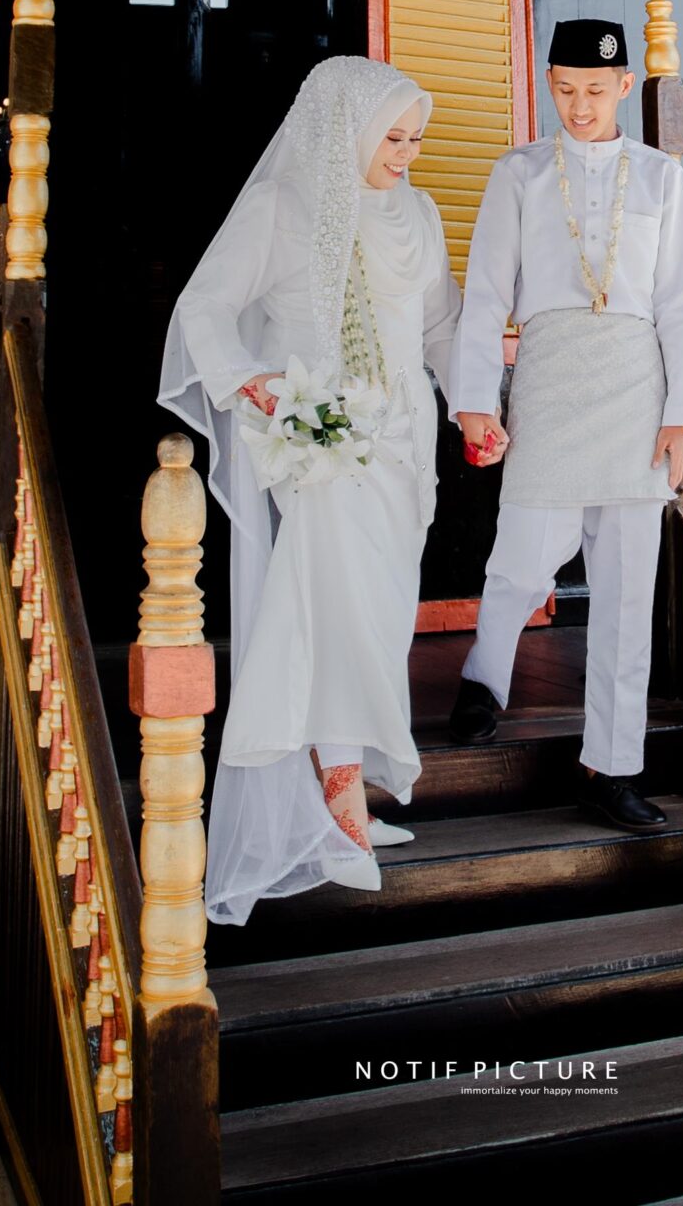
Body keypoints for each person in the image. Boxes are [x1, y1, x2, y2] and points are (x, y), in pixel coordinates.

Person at [159, 54, 461, 924]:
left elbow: (440, 325)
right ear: (345, 129)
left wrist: (474, 405)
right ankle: (337, 803)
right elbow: (204, 309)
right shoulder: (283, 207)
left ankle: (341, 790)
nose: (405, 155)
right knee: (335, 612)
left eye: (414, 139)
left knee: (382, 615)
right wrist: (250, 383)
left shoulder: (419, 211)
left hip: (405, 447)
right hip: (322, 444)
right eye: (391, 139)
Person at [445, 17, 683, 830]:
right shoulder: (518, 171)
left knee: (626, 594)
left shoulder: (660, 177)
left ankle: (610, 766)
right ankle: (484, 676)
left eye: (594, 90)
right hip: (551, 374)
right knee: (522, 558)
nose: (579, 105)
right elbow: (486, 293)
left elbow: (679, 301)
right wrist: (475, 397)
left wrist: (680, 414)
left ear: (623, 86)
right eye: (564, 90)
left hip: (634, 383)